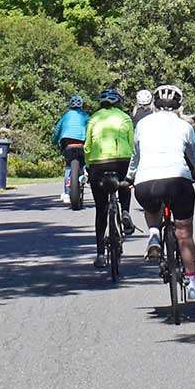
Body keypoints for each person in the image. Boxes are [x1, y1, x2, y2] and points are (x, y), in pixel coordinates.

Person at [128, 84, 195, 303]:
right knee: (184, 234)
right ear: (180, 105)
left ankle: (153, 233)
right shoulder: (185, 126)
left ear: (154, 104)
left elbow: (136, 156)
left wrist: (130, 177)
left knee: (152, 208)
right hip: (178, 182)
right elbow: (194, 157)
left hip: (146, 183)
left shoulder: (142, 124)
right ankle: (191, 284)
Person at [84, 87, 137, 268]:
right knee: (125, 185)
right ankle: (125, 212)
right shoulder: (125, 118)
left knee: (101, 208)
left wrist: (88, 165)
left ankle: (100, 254)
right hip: (122, 160)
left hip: (99, 163)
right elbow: (132, 143)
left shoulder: (94, 118)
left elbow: (87, 146)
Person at [52, 94, 89, 205]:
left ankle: (67, 193)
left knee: (68, 166)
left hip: (67, 143)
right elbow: (91, 128)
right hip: (82, 143)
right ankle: (84, 174)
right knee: (83, 163)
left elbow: (57, 130)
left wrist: (54, 141)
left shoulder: (66, 116)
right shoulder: (85, 116)